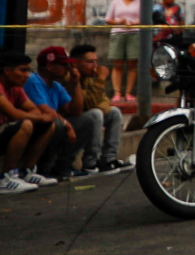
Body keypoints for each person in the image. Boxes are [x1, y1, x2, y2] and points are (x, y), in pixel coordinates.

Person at [1, 51, 61, 191]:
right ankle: (4, 178)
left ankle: (26, 171)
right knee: (26, 124)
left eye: (28, 70)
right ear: (7, 71)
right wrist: (39, 117)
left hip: (4, 129)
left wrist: (40, 117)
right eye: (23, 70)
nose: (27, 75)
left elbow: (34, 110)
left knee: (48, 125)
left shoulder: (16, 88)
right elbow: (14, 114)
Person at [67, 45, 129, 174]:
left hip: (86, 117)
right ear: (76, 63)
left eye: (96, 61)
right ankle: (90, 162)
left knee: (114, 112)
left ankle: (108, 159)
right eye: (89, 62)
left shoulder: (89, 78)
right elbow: (88, 104)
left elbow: (104, 101)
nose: (95, 66)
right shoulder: (70, 78)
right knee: (96, 114)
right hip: (70, 121)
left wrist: (99, 103)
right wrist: (101, 79)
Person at [27, 47, 84, 178]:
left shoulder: (56, 86)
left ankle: (63, 166)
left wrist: (76, 84)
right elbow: (45, 111)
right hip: (36, 125)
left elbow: (76, 112)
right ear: (50, 66)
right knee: (57, 123)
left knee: (91, 118)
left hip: (50, 124)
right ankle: (43, 168)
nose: (69, 69)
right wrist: (68, 125)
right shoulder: (33, 80)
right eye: (65, 65)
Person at [104, 0, 142, 103]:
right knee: (117, 64)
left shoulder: (140, 1)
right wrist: (120, 21)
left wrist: (134, 23)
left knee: (132, 64)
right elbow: (108, 19)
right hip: (118, 33)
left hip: (134, 34)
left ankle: (129, 93)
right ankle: (117, 93)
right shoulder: (116, 1)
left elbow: (145, 19)